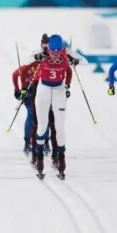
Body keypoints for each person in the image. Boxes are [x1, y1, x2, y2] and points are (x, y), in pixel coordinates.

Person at [32, 34, 80, 179]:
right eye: (52, 51)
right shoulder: (43, 51)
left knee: (59, 126)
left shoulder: (65, 53)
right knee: (42, 126)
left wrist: (74, 60)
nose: (55, 55)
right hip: (44, 90)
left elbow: (83, 61)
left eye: (58, 51)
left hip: (59, 91)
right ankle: (39, 157)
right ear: (48, 48)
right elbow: (29, 58)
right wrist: (37, 56)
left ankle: (61, 157)